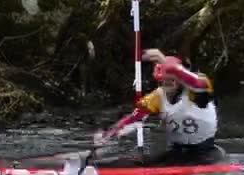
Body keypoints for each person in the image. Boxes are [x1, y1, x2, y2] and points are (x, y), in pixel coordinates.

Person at [96, 48, 225, 166]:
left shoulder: (197, 89)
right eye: (164, 81)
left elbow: (195, 82)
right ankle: (96, 166)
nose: (168, 84)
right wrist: (109, 134)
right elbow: (134, 118)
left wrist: (164, 60)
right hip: (178, 152)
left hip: (206, 153)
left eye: (172, 80)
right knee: (141, 162)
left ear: (179, 79)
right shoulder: (156, 97)